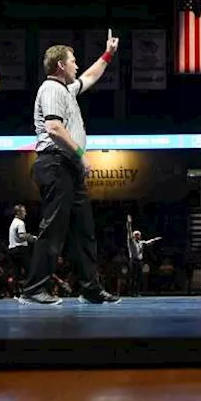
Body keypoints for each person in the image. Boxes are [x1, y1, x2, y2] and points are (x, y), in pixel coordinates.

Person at [18, 32, 122, 306]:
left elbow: (89, 77)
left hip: (67, 167)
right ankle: (33, 290)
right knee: (53, 229)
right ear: (61, 65)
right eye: (73, 61)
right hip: (55, 163)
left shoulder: (65, 89)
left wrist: (108, 54)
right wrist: (80, 154)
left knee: (83, 231)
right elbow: (54, 128)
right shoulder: (51, 89)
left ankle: (90, 288)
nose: (77, 65)